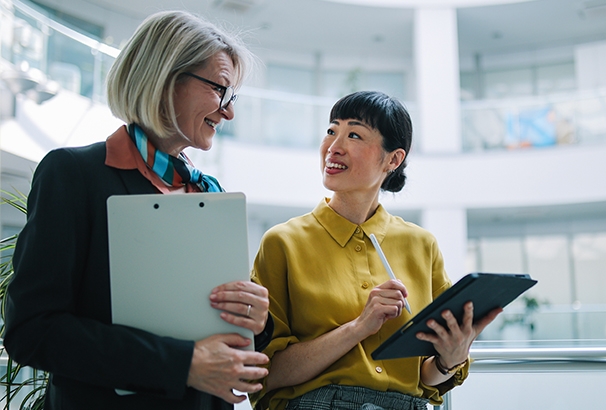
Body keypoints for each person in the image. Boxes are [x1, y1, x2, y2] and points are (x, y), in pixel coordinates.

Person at [4, 11, 273, 410]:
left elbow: (221, 330)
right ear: (165, 77)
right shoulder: (74, 175)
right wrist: (185, 364)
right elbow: (32, 330)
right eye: (219, 90)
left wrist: (258, 321)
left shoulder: (209, 193)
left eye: (231, 96)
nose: (228, 112)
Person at [249, 91, 503, 410]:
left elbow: (426, 376)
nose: (334, 146)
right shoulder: (283, 242)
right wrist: (358, 327)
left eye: (354, 134)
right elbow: (266, 373)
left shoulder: (422, 245)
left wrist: (449, 361)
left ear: (393, 159)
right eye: (331, 130)